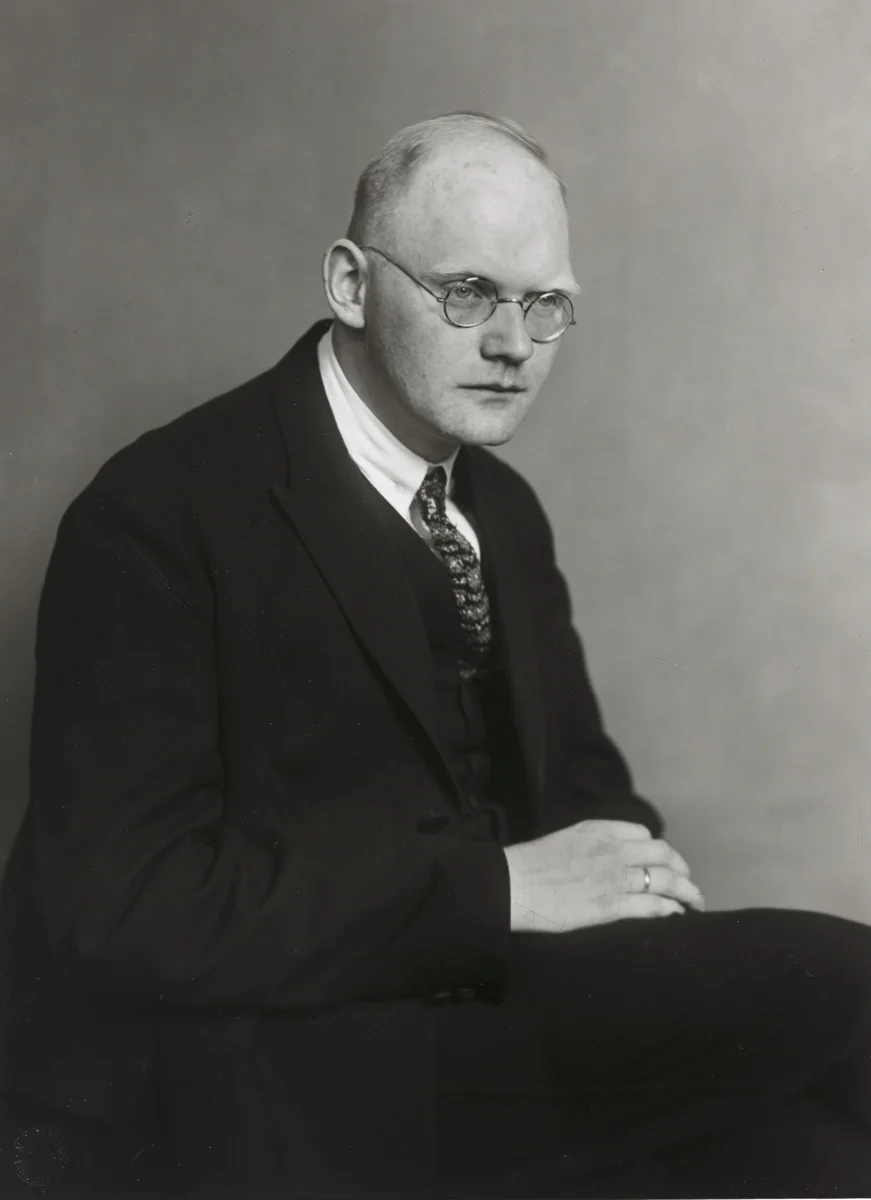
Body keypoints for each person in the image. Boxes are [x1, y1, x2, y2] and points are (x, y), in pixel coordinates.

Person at [2, 110, 871, 1199]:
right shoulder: (162, 513)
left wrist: (644, 902)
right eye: (466, 294)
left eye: (545, 304)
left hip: (478, 1030)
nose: (511, 343)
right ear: (351, 285)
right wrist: (496, 891)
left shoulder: (500, 510)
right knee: (850, 984)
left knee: (821, 1152)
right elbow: (119, 906)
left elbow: (583, 793)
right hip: (262, 1057)